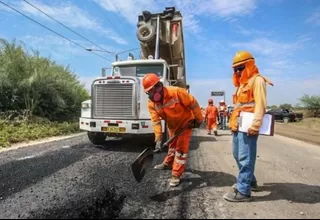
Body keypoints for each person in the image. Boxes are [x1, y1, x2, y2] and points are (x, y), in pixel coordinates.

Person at [223, 51, 273, 202]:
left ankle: (244, 191)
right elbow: (239, 107)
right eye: (235, 69)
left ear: (249, 64)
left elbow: (261, 104)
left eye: (241, 68)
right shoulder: (241, 85)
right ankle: (250, 181)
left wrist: (256, 125)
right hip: (239, 125)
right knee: (237, 155)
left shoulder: (257, 80)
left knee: (245, 157)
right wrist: (233, 125)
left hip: (249, 126)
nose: (237, 71)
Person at [142, 73, 204, 187]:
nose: (150, 94)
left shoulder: (176, 92)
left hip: (185, 122)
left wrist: (199, 119)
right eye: (148, 92)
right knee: (172, 146)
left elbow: (193, 103)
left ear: (158, 87)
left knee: (180, 149)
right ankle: (168, 163)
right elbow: (155, 121)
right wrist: (159, 139)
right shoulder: (151, 103)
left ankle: (176, 174)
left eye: (151, 91)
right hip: (172, 125)